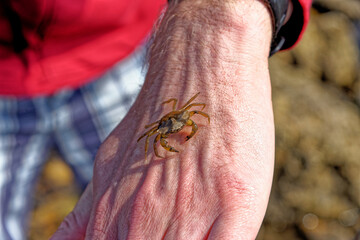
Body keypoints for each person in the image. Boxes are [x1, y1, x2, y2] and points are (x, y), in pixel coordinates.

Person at [0, 0, 311, 239]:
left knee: (133, 196)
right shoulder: (158, 132)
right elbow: (154, 137)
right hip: (7, 79)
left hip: (117, 49)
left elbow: (192, 111)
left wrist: (221, 28)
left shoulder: (181, 112)